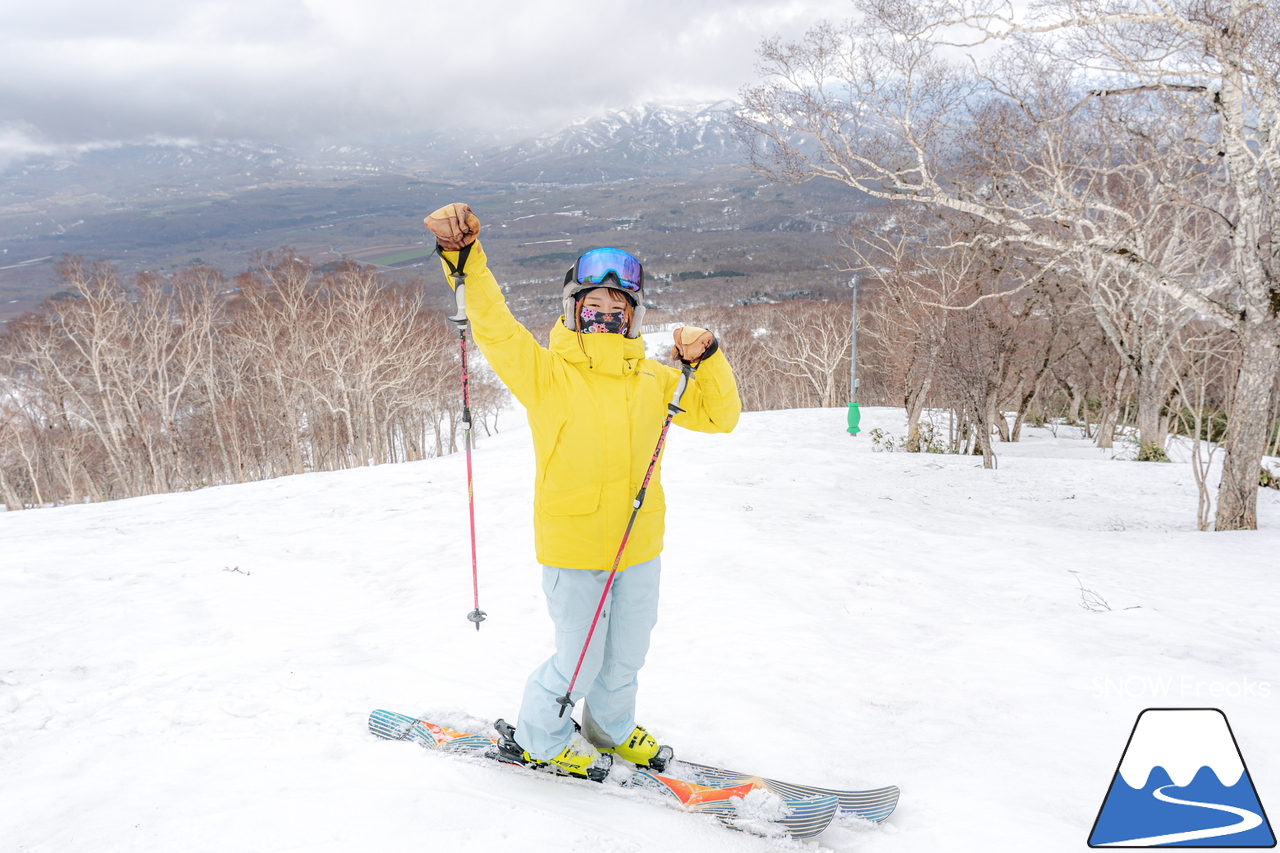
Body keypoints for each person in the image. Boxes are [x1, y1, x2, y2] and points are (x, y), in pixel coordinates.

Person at [424, 203, 741, 780]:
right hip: (574, 547)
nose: (604, 315)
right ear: (573, 309)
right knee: (578, 660)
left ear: (634, 317)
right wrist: (462, 258)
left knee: (624, 658)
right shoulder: (546, 374)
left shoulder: (655, 379)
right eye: (592, 305)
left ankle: (609, 730)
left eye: (617, 307)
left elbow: (721, 418)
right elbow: (493, 323)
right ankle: (539, 737)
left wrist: (709, 359)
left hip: (640, 546)